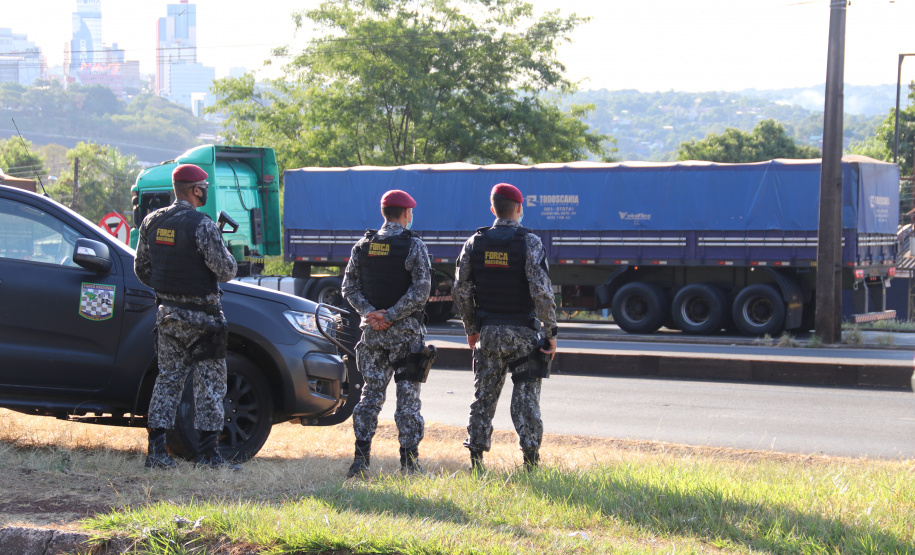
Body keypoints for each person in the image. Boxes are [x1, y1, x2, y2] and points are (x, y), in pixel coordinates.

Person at [134, 163, 239, 470]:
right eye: (204, 187)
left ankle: (157, 454)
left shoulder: (151, 222)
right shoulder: (202, 225)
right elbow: (226, 270)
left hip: (168, 316)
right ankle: (207, 456)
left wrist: (170, 290)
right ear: (195, 190)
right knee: (210, 386)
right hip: (204, 320)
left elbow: (142, 269)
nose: (205, 191)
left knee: (167, 381)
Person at [453, 182, 558, 472]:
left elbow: (461, 290)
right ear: (519, 209)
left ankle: (476, 462)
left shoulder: (475, 242)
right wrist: (550, 333)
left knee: (483, 399)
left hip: (487, 335)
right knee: (526, 402)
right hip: (524, 336)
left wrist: (471, 329)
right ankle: (531, 463)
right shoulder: (530, 242)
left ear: (492, 209)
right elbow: (542, 292)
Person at [341, 189, 432, 478]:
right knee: (408, 400)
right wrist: (390, 315)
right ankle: (409, 463)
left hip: (373, 335)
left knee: (370, 396)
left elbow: (348, 287)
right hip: (404, 335)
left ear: (384, 213)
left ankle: (360, 460)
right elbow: (421, 290)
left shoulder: (363, 245)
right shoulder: (413, 246)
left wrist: (370, 314)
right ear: (406, 214)